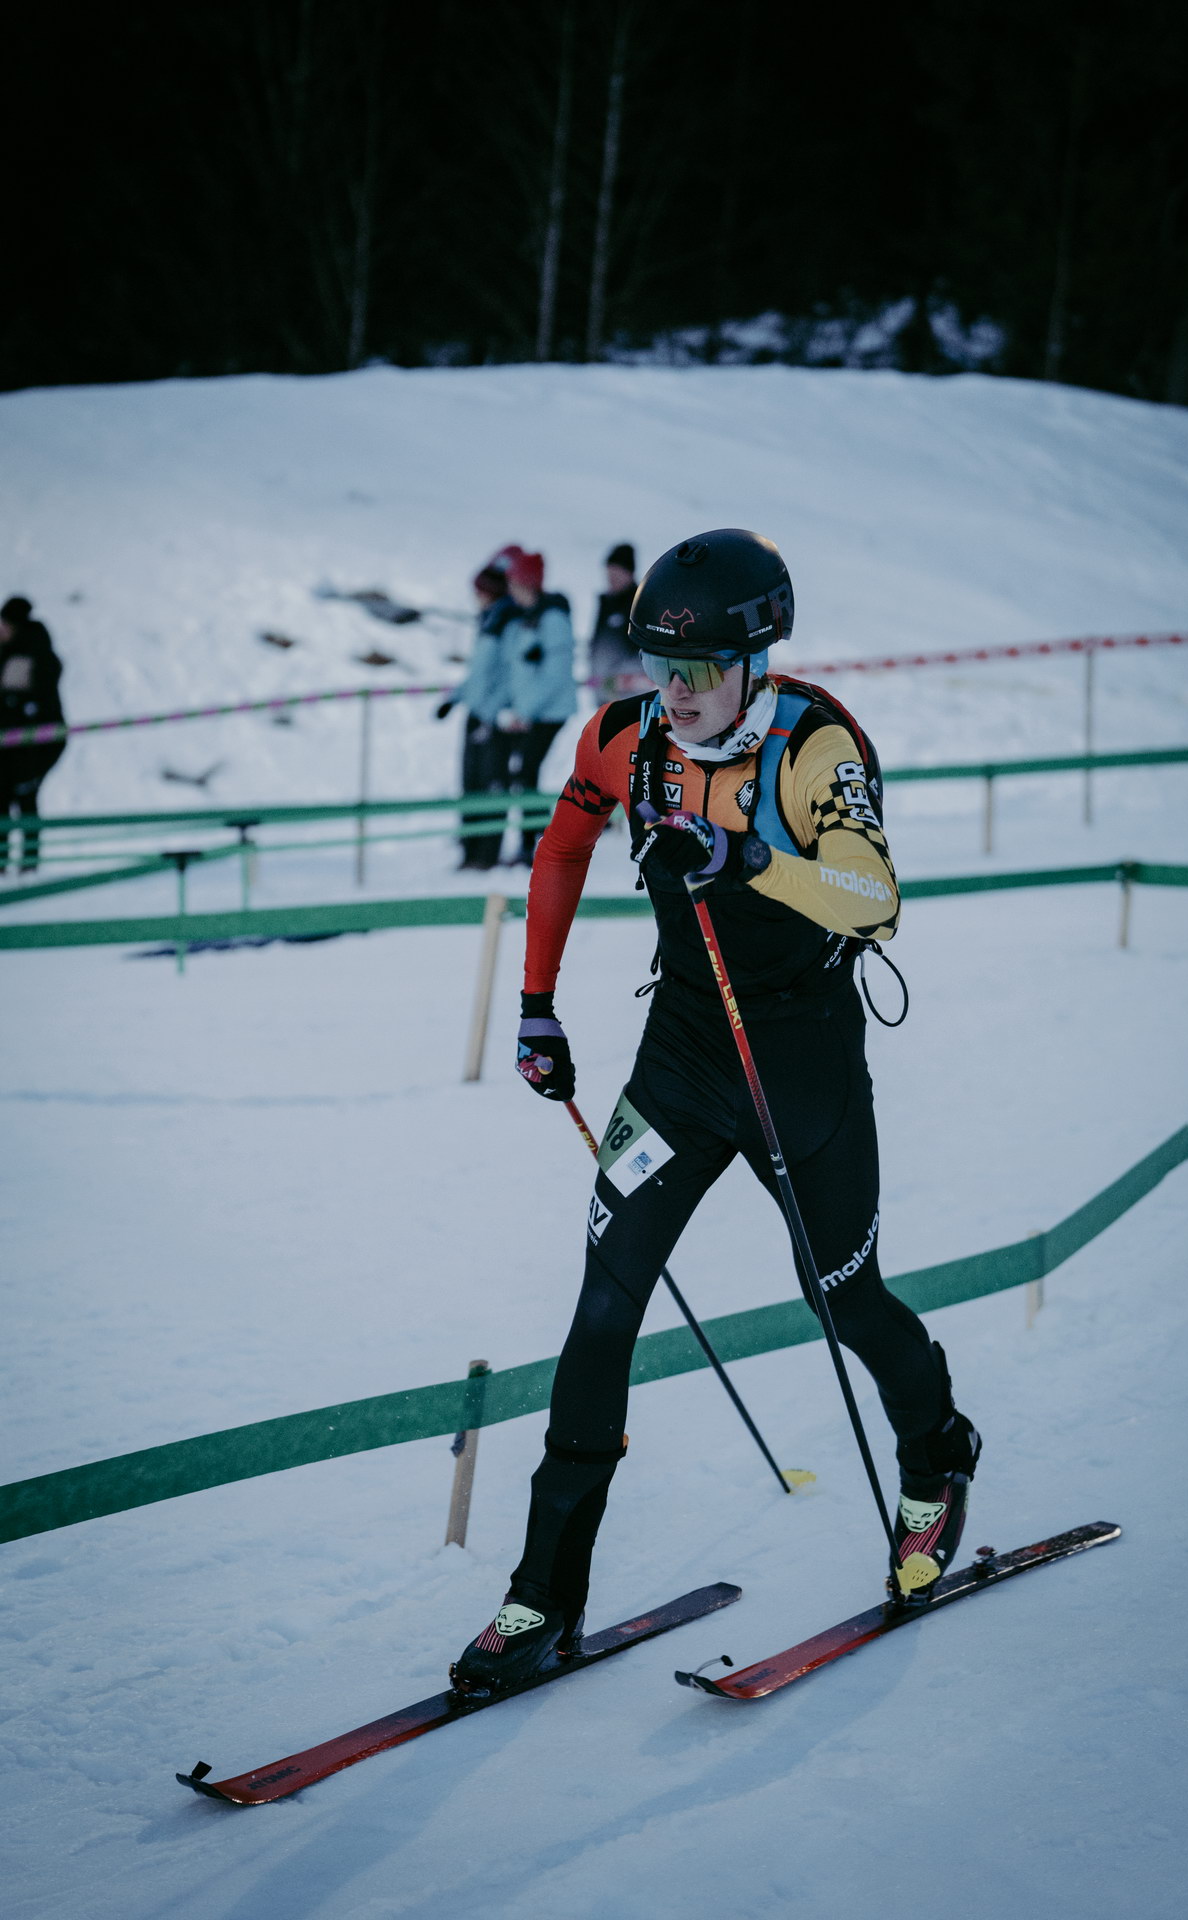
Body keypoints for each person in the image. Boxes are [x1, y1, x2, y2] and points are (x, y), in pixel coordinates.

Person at [450, 528, 981, 1696]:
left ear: (753, 658)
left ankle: (937, 1455)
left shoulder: (811, 743)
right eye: (656, 666)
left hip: (799, 1064)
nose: (673, 693)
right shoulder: (622, 737)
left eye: (694, 670)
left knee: (842, 1297)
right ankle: (543, 1590)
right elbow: (560, 848)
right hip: (682, 1061)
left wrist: (744, 856)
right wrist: (534, 1006)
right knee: (602, 1306)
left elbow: (872, 895)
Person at [490, 550, 578, 865]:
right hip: (534, 712)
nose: (510, 589)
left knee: (526, 772)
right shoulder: (529, 616)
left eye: (515, 583)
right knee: (526, 773)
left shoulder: (551, 619)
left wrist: (524, 712)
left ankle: (536, 843)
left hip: (549, 713)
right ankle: (539, 838)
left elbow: (554, 675)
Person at [437, 549, 521, 871]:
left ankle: (486, 853)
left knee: (491, 785)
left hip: (494, 719)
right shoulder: (489, 621)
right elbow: (478, 674)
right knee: (470, 784)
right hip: (477, 715)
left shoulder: (509, 623)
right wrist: (455, 698)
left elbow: (510, 676)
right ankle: (470, 847)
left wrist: (494, 713)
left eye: (481, 591)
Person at [0, 596, 66, 873]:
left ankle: (28, 865)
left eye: (4, 625)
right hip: (8, 750)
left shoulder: (35, 657)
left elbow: (47, 715)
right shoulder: (8, 654)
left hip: (30, 751)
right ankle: (4, 863)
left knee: (26, 803)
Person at [588, 542, 643, 700]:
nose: (611, 578)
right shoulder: (605, 604)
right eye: (609, 573)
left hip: (631, 695)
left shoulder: (639, 605)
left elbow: (643, 654)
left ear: (629, 572)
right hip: (603, 694)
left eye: (616, 573)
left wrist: (620, 679)